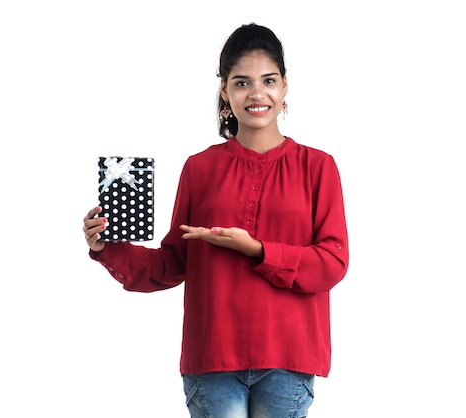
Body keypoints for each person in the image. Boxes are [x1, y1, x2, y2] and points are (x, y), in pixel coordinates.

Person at [83, 22, 349, 418]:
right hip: (213, 359)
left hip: (289, 357)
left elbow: (332, 263)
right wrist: (107, 249)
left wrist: (257, 250)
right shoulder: (199, 168)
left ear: (285, 86)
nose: (257, 94)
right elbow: (173, 263)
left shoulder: (318, 168)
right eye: (241, 83)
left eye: (268, 80)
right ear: (224, 90)